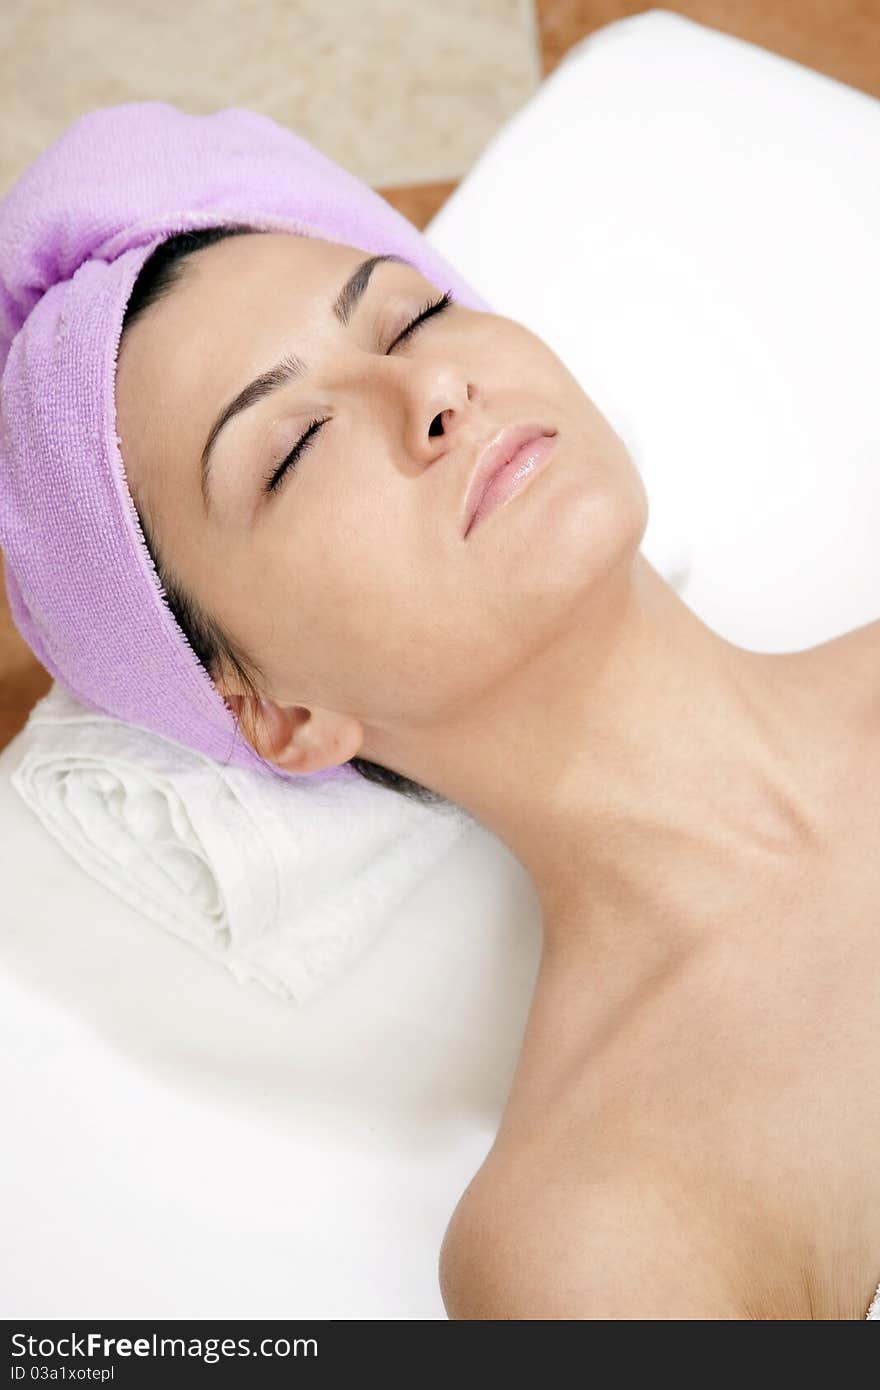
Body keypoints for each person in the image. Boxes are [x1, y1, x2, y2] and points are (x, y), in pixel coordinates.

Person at [114, 223, 880, 1320]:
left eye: (412, 314)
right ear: (279, 712)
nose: (431, 384)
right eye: (293, 448)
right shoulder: (591, 1236)